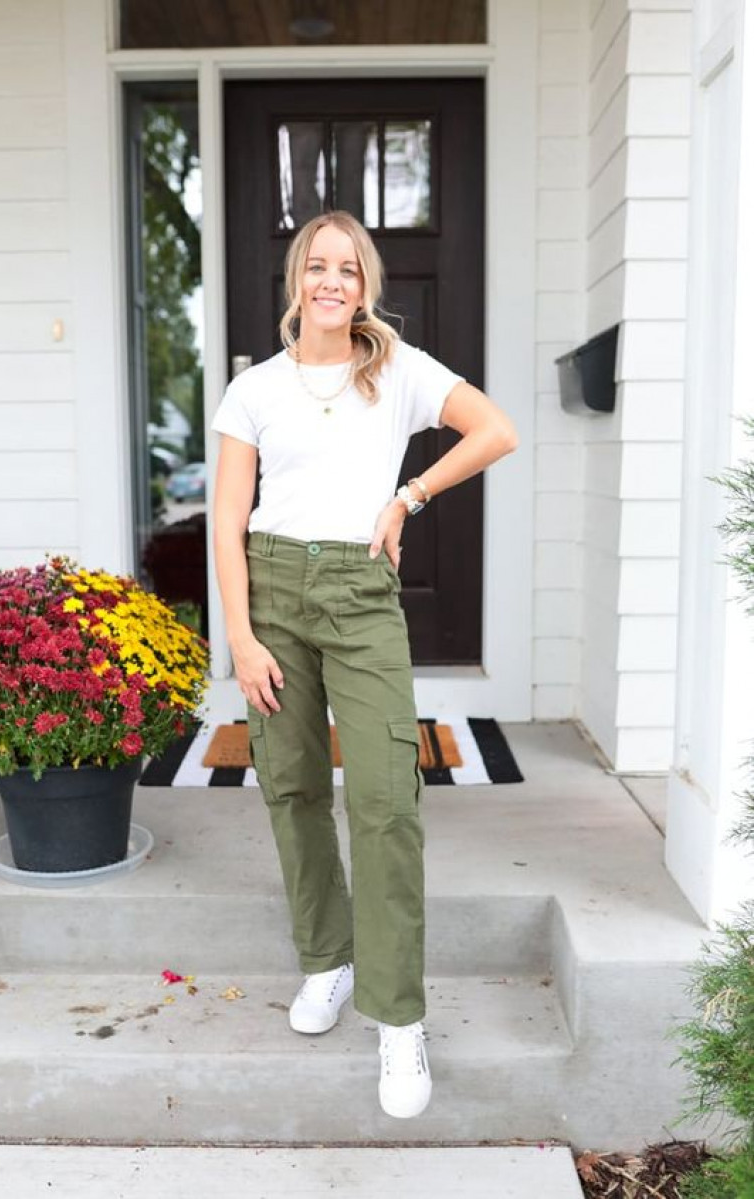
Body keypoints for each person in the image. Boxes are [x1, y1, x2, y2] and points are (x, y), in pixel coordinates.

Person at [211, 210, 519, 1119]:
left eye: (349, 269)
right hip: (271, 590)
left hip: (358, 591)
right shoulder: (254, 391)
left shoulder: (402, 374)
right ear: (297, 281)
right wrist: (242, 635)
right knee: (292, 785)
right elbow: (228, 520)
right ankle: (327, 961)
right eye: (319, 266)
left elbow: (495, 429)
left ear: (366, 285)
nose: (332, 282)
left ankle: (397, 1019)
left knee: (386, 799)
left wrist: (411, 495)